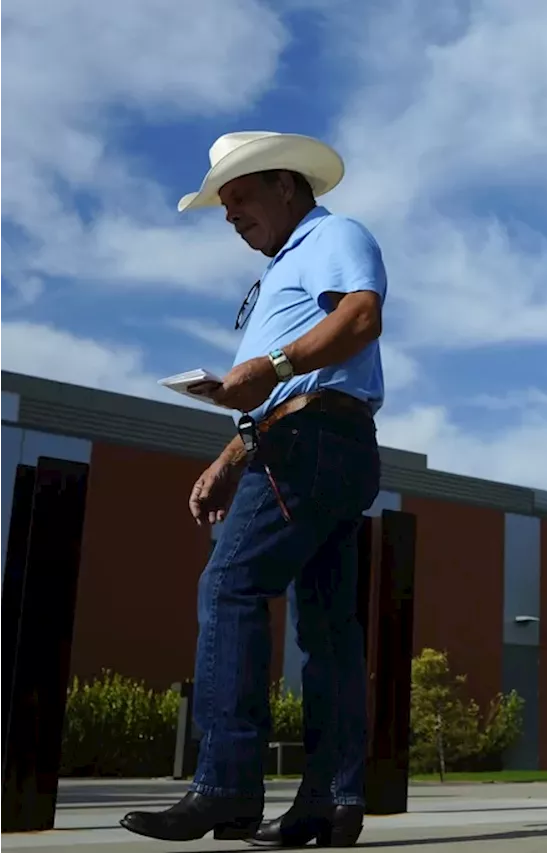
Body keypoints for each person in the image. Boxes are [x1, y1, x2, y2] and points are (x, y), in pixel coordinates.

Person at [120, 131, 387, 848]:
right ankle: (330, 802)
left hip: (313, 444)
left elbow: (361, 318)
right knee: (327, 630)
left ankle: (227, 784)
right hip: (318, 439)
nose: (230, 214)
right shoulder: (284, 272)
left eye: (240, 197)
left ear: (286, 187)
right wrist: (229, 458)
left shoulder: (332, 235)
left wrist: (268, 364)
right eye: (223, 205)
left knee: (230, 587)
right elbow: (288, 387)